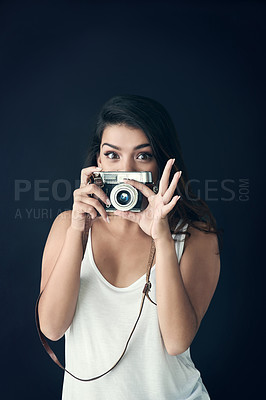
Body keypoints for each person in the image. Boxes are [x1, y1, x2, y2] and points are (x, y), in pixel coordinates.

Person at [38, 94, 222, 399]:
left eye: (142, 155)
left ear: (161, 162)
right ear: (98, 161)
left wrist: (161, 237)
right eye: (112, 155)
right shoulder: (67, 226)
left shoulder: (197, 237)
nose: (125, 169)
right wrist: (77, 231)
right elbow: (52, 328)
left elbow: (177, 341)